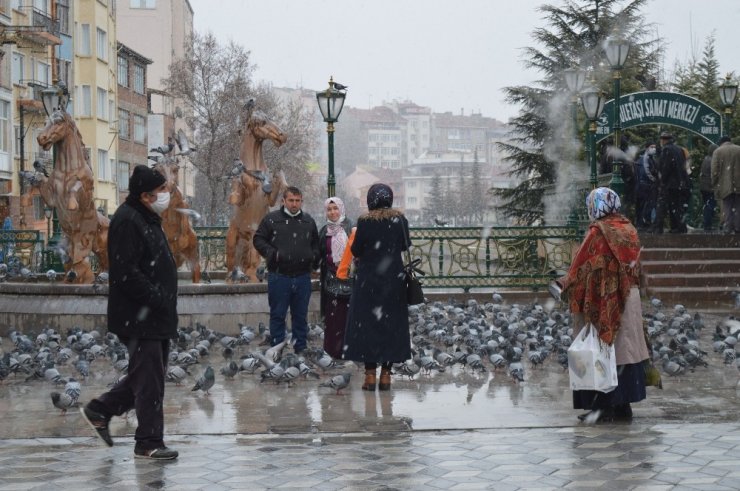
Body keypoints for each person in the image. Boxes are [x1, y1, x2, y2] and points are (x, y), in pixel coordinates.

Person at [80, 165, 179, 460]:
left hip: (153, 315)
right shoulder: (128, 220)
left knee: (145, 376)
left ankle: (100, 410)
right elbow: (126, 272)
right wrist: (157, 298)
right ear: (146, 195)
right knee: (149, 380)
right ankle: (148, 442)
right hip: (140, 316)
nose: (166, 195)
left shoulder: (146, 217)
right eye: (162, 190)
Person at [559, 187, 649, 423]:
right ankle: (623, 405)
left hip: (604, 298)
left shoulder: (598, 232)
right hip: (628, 297)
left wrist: (564, 284)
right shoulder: (627, 228)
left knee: (602, 352)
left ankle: (602, 407)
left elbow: (580, 266)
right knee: (625, 351)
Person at [343, 183, 411, 391]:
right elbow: (405, 245)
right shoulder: (400, 220)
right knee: (391, 327)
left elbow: (356, 249)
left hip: (368, 283)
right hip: (393, 282)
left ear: (370, 200)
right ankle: (387, 375)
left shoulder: (365, 222)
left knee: (368, 327)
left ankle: (370, 375)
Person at [253, 186, 319, 354]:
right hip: (279, 276)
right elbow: (258, 239)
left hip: (302, 277)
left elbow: (316, 245)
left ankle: (300, 349)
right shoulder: (271, 219)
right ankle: (277, 350)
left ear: (301, 201)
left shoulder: (308, 221)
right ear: (283, 201)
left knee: (300, 317)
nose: (294, 204)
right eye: (291, 200)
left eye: (298, 201)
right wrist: (271, 253)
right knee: (277, 315)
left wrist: (312, 258)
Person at [317, 197, 353, 359]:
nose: (332, 212)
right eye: (329, 209)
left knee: (349, 317)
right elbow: (320, 253)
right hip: (331, 280)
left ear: (341, 209)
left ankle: (350, 350)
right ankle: (333, 351)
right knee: (333, 318)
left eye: (335, 208)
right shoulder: (325, 230)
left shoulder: (350, 228)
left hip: (350, 279)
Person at [653, 132, 690, 233]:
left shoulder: (666, 150)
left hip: (669, 184)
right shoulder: (679, 149)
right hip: (679, 184)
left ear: (663, 140)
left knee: (662, 206)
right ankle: (679, 227)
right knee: (677, 206)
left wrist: (662, 181)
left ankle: (657, 228)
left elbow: (665, 168)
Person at [711, 136, 740, 234]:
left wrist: (714, 182)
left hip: (724, 184)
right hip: (738, 183)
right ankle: (737, 227)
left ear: (721, 143)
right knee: (737, 205)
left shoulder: (718, 151)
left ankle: (728, 227)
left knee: (727, 205)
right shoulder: (738, 149)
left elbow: (715, 170)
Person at [634, 141, 659, 230]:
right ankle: (642, 223)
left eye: (655, 147)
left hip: (644, 186)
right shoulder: (645, 159)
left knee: (644, 206)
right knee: (644, 206)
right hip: (645, 186)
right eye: (652, 147)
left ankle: (642, 223)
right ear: (647, 148)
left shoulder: (650, 159)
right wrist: (655, 180)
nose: (654, 149)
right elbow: (647, 173)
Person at [699, 143, 719, 231]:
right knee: (710, 206)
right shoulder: (712, 160)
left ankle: (707, 225)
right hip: (710, 187)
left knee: (707, 205)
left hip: (704, 187)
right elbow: (714, 174)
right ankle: (707, 226)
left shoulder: (706, 159)